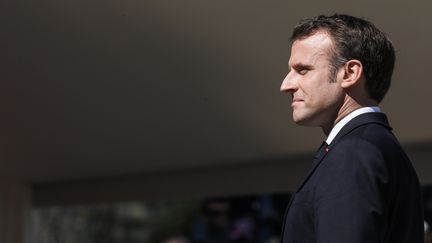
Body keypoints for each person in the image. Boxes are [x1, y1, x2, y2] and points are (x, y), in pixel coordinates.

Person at [279, 14, 424, 242]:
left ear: (349, 73)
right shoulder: (375, 147)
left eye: (303, 70)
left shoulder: (353, 154)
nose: (285, 85)